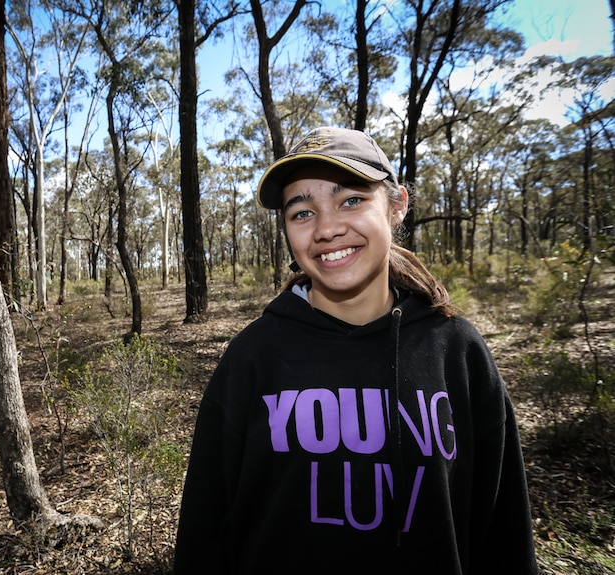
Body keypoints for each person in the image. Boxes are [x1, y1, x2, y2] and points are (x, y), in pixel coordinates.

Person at [173, 127, 539, 574]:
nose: (327, 229)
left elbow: (502, 530)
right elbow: (205, 533)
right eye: (302, 212)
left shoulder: (456, 350)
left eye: (351, 200)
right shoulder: (253, 357)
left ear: (397, 205)